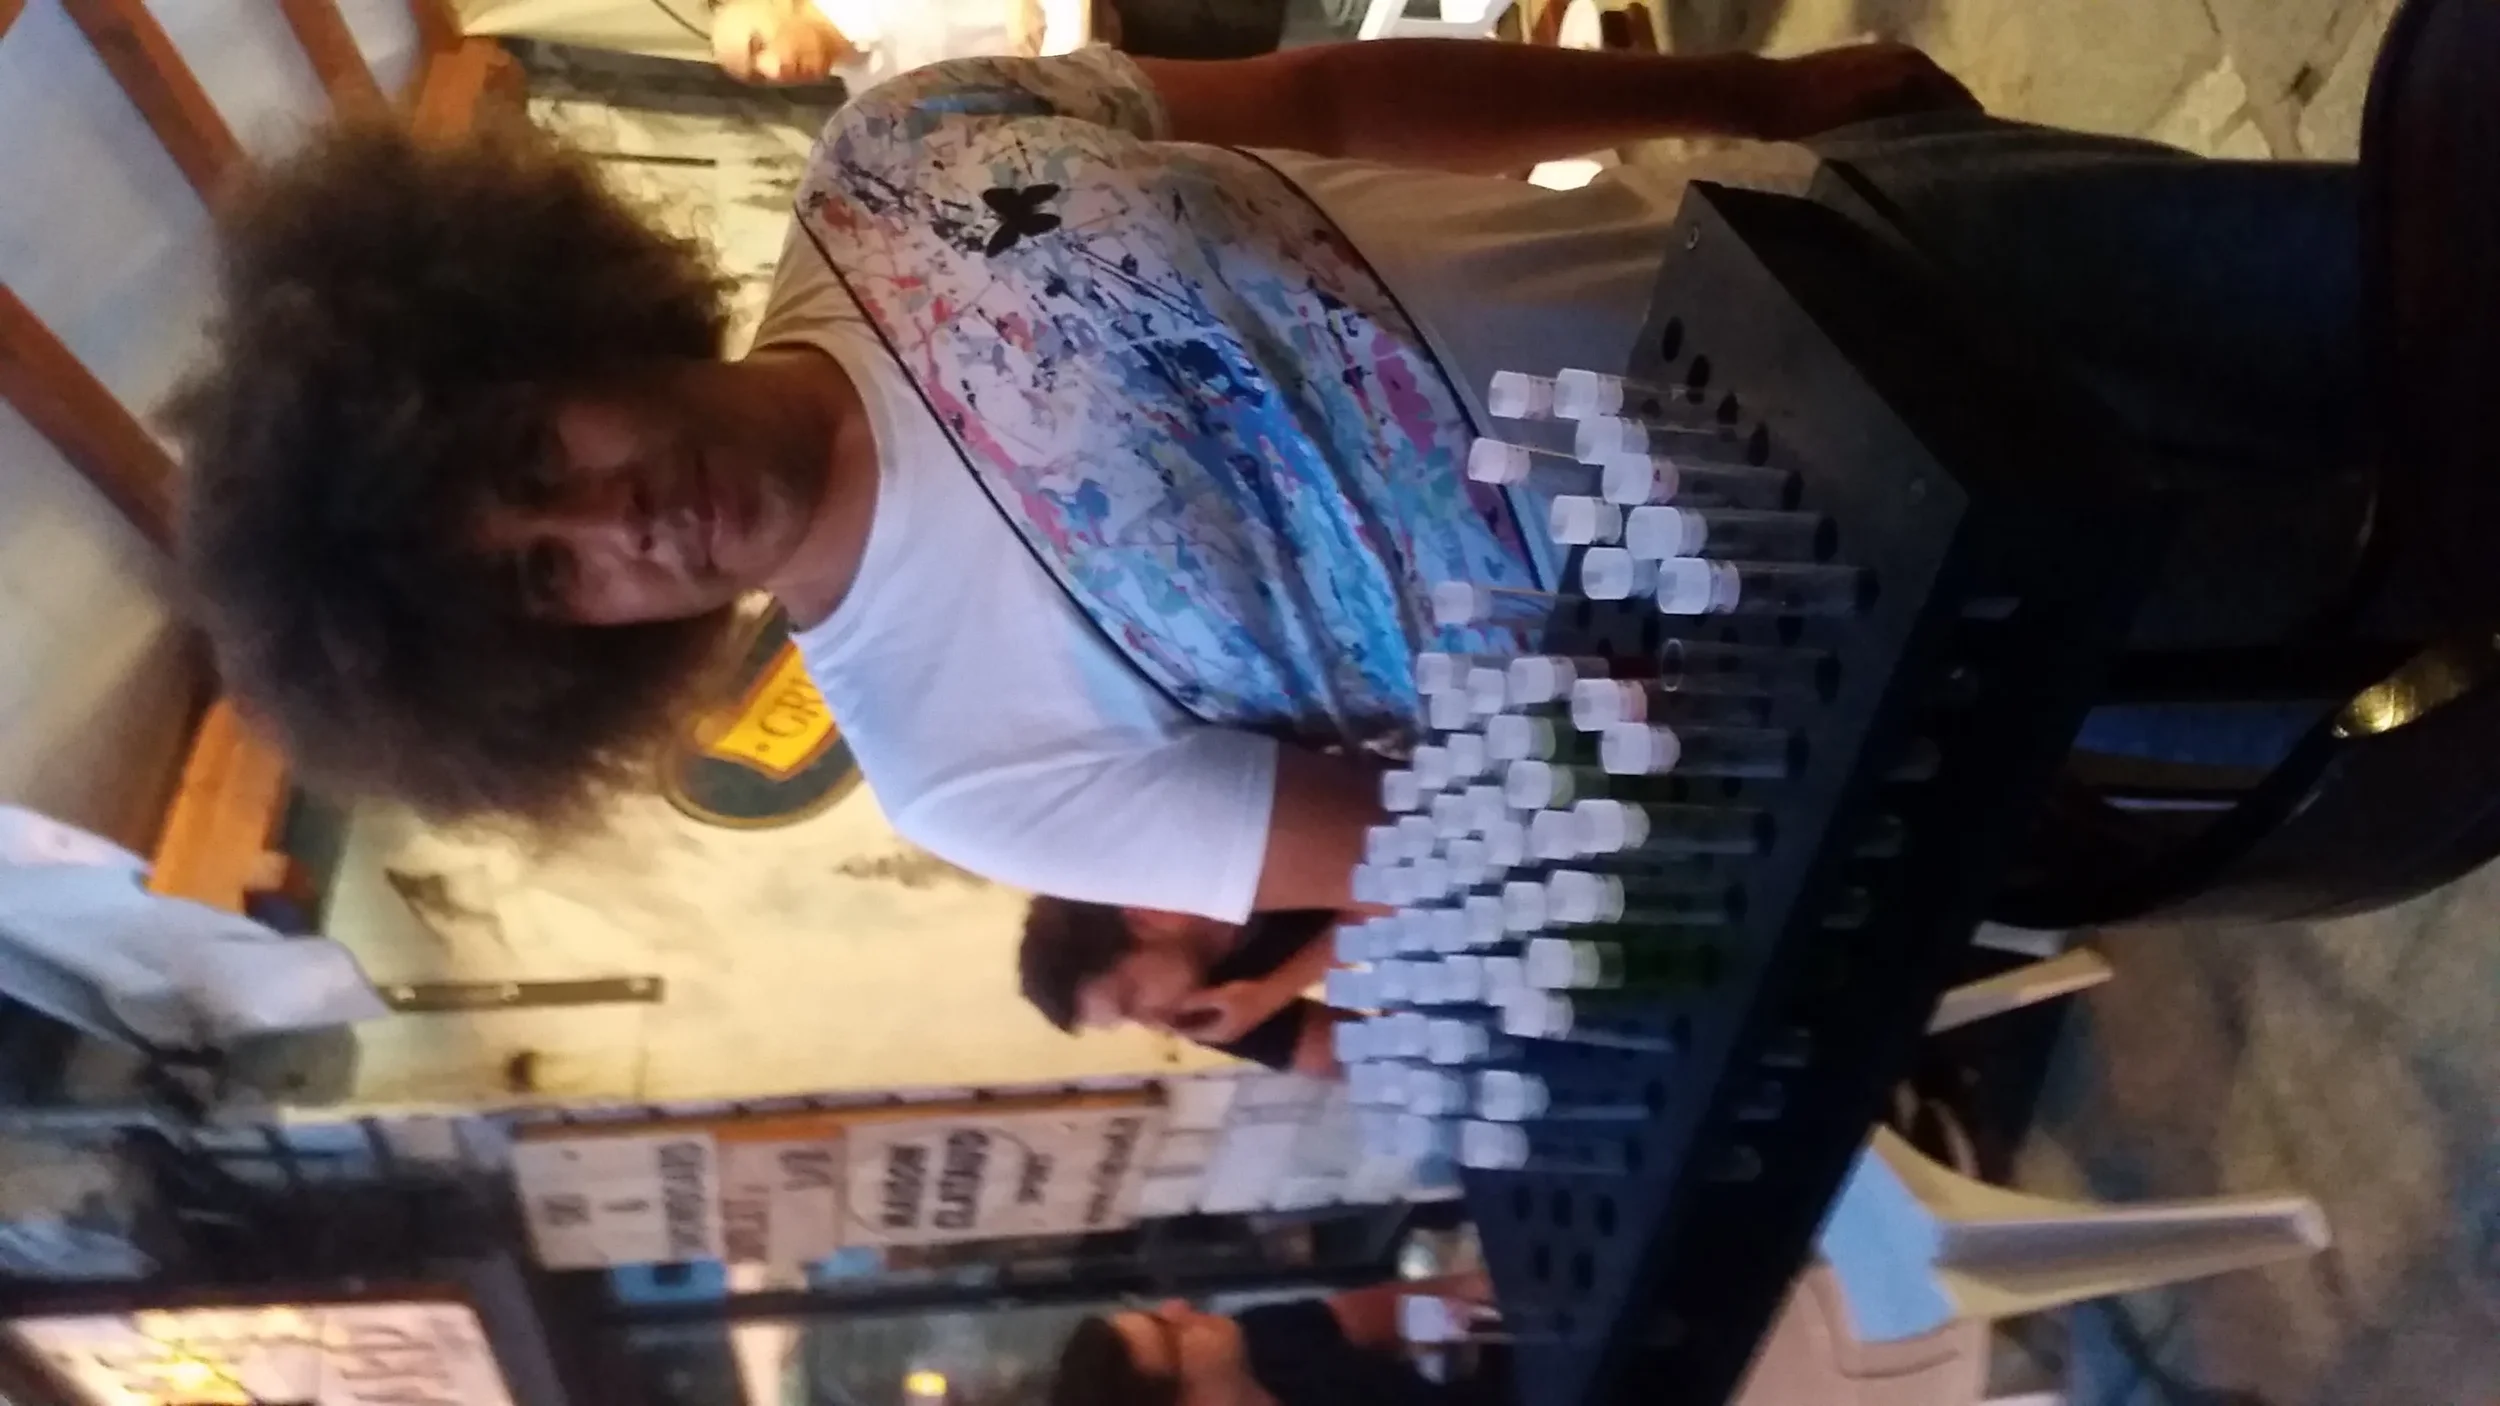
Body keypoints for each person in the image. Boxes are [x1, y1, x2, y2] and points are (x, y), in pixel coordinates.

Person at [172, 40, 2360, 922]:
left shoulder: (897, 160)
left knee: (2396, 280)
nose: (617, 533)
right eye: (544, 581)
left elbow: (1338, 88)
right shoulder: (952, 764)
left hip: (1886, 263)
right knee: (2381, 626)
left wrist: (1750, 80)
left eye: (531, 468)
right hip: (1894, 619)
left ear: (533, 330)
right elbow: (1445, 851)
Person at [1051, 1276, 1497, 1406]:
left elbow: (1391, 1313)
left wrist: (1493, 1289)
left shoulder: (1259, 1339)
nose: (1179, 1308)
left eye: (1157, 1312)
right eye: (1170, 1335)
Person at [1020, 898, 1345, 1076]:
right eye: (1130, 1020)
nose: (1151, 1021)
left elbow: (1385, 883)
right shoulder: (1207, 1008)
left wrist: (1272, 992)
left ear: (1140, 924)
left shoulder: (1223, 876)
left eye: (1131, 997)